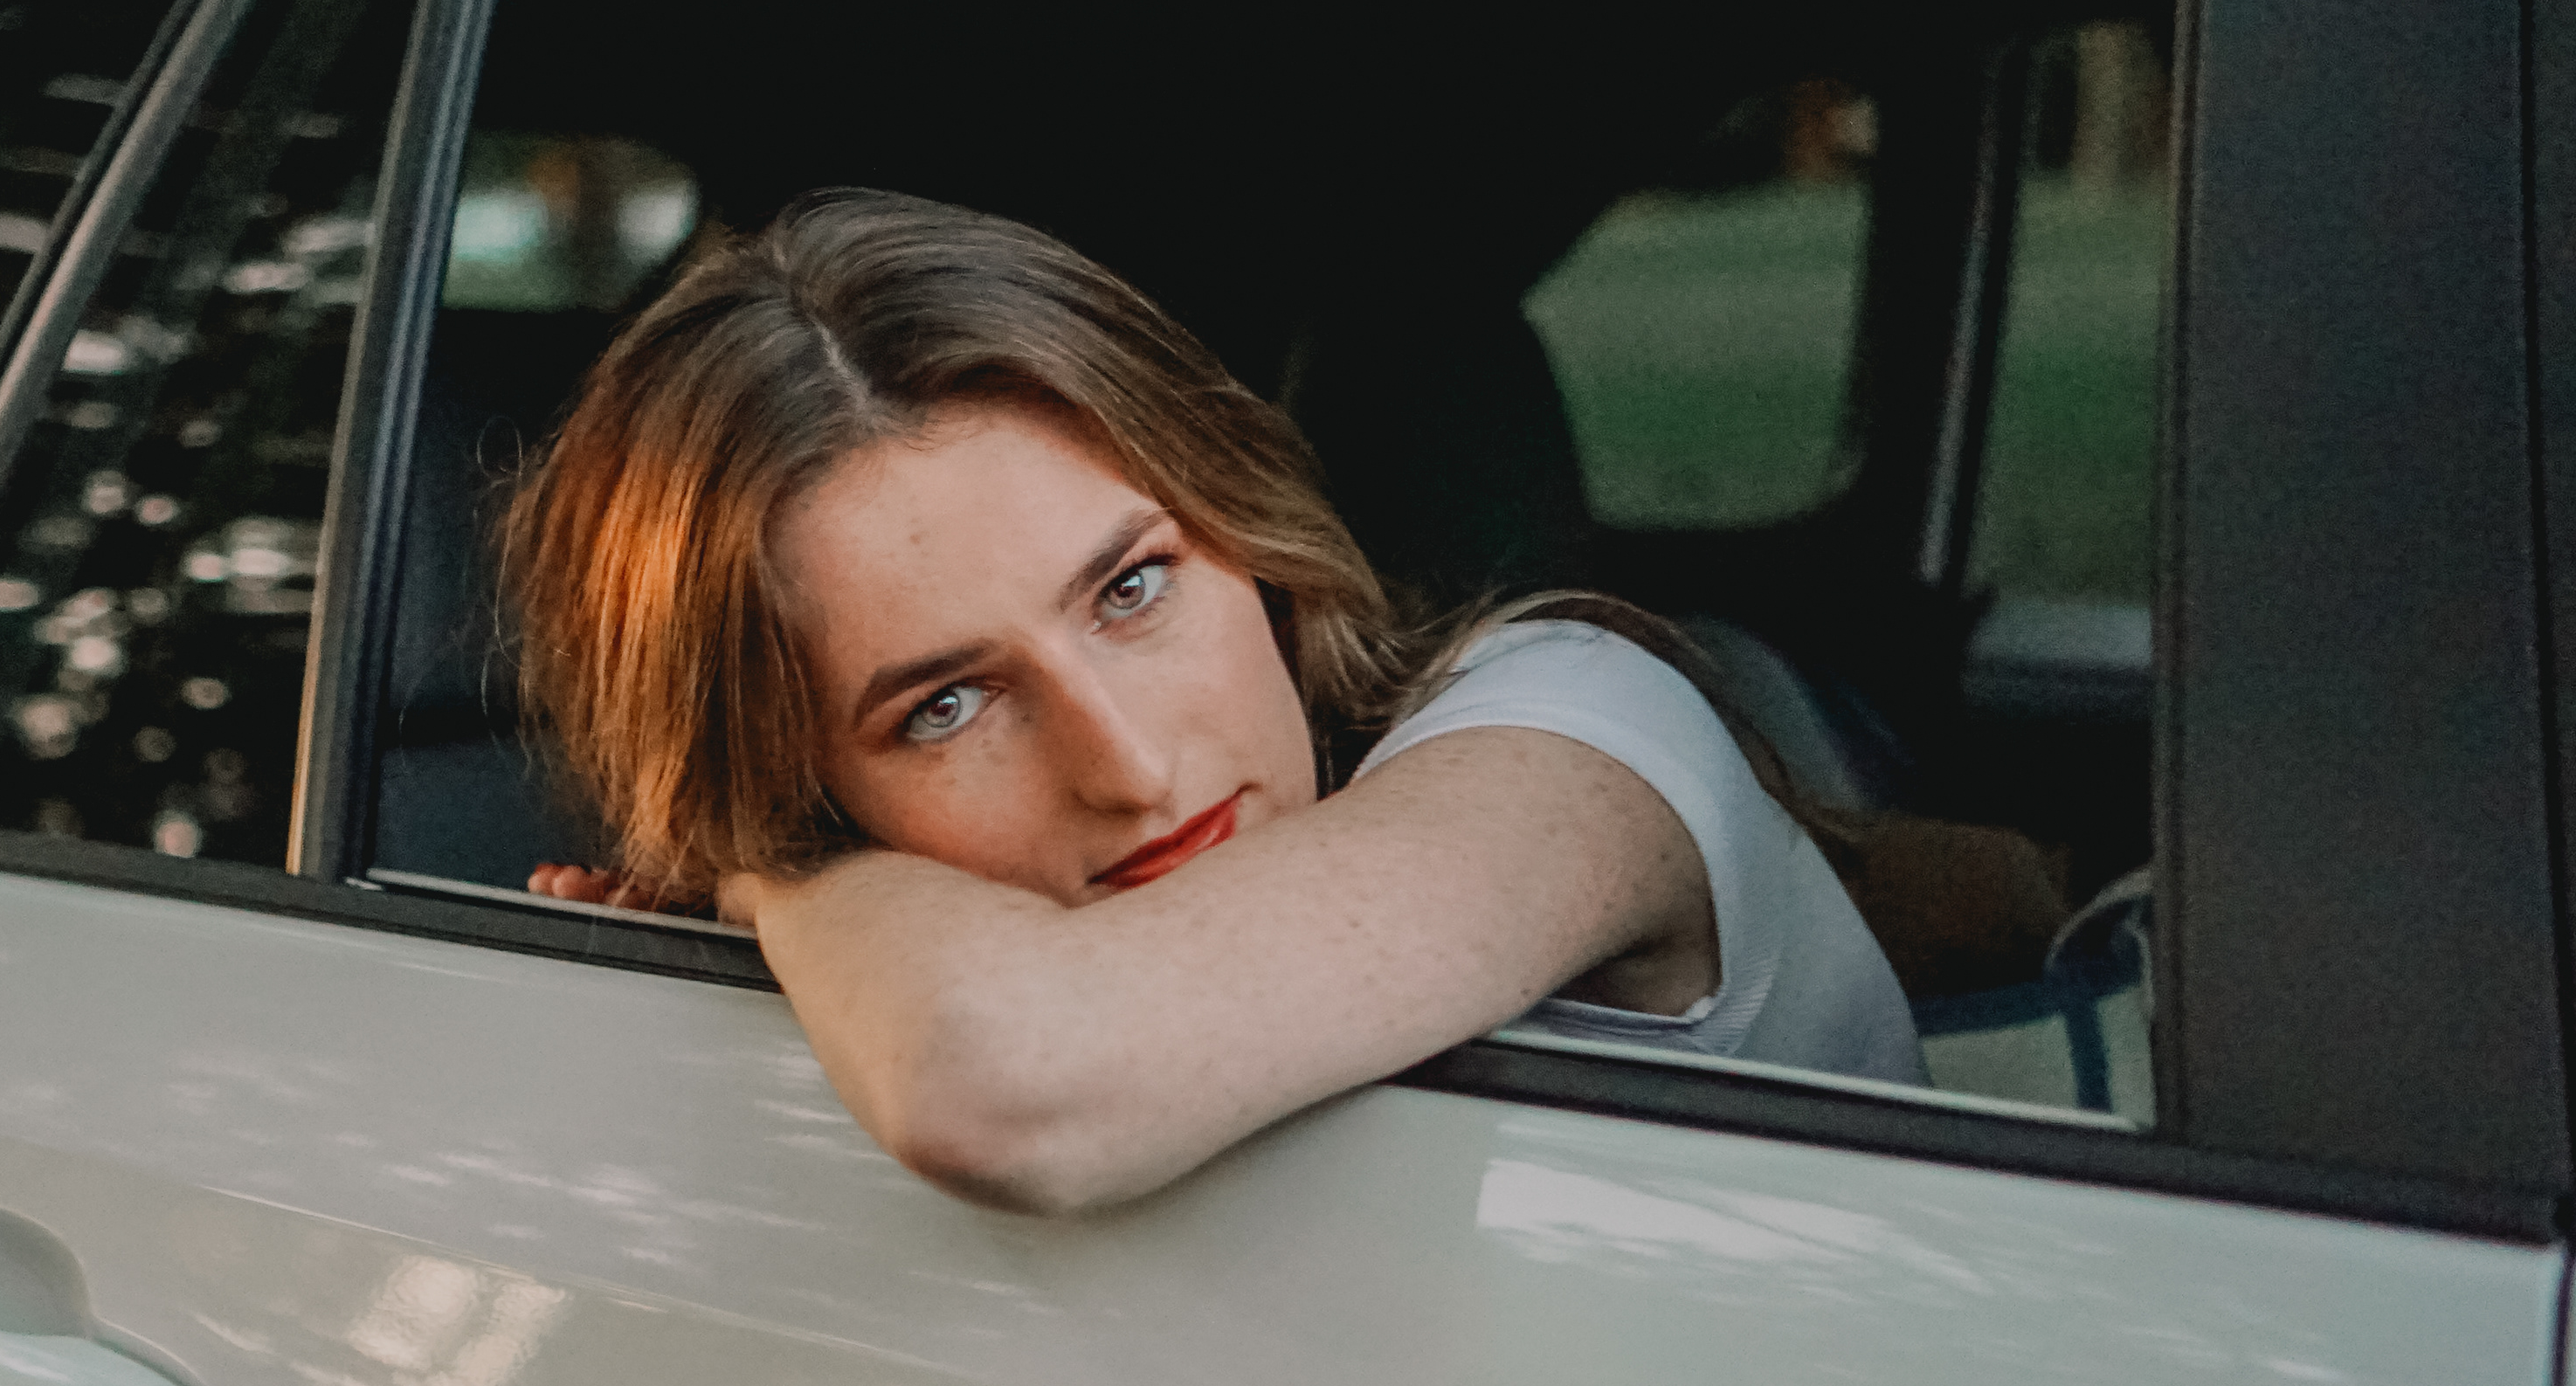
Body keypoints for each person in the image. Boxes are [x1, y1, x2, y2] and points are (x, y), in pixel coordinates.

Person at [506, 190, 1925, 1215]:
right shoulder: (925, 961)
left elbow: (1012, 1076)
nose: (1126, 766)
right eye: (944, 707)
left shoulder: (1577, 727)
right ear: (814, 787)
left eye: (1132, 589)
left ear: (1248, 539)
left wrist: (771, 882)